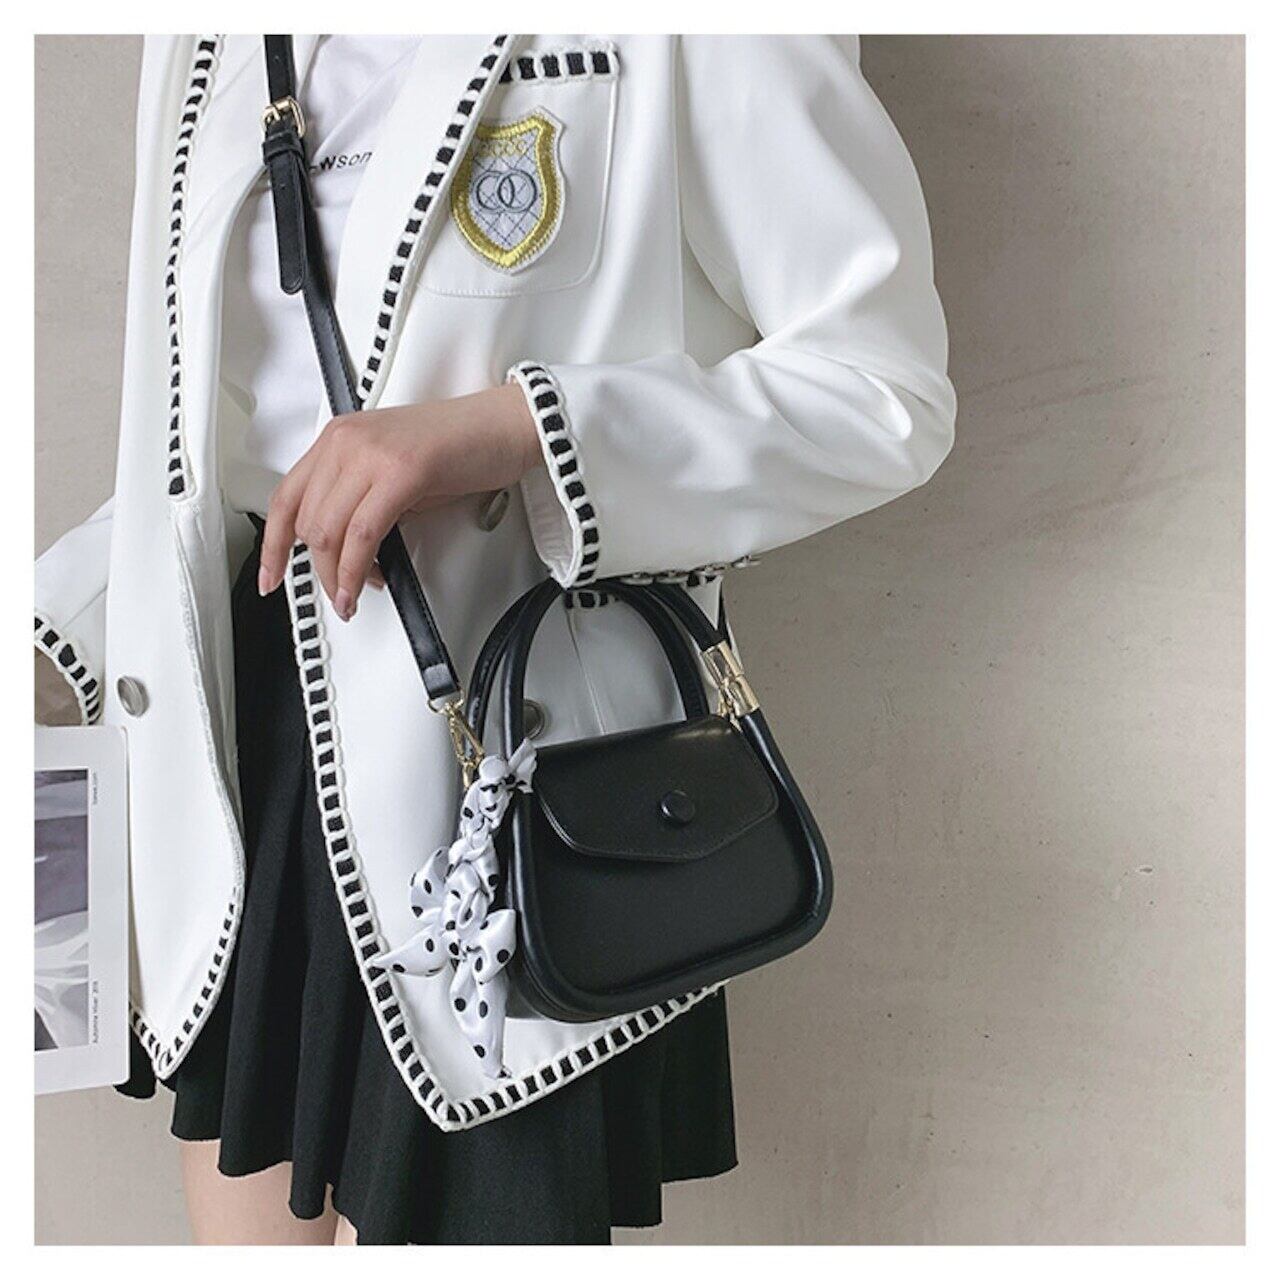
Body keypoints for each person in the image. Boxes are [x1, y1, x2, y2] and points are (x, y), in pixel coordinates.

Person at [34, 34, 956, 1244]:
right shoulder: (201, 35)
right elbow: (208, 442)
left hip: (506, 779)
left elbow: (881, 392)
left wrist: (518, 429)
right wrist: (55, 625)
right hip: (239, 747)